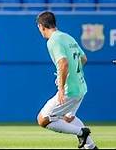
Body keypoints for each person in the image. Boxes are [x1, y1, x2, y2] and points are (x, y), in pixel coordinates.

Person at [36, 11, 98, 149]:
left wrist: (61, 88)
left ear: (41, 26)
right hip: (81, 87)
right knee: (67, 118)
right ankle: (91, 146)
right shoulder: (67, 37)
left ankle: (82, 132)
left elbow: (63, 63)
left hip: (70, 90)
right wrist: (72, 75)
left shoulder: (53, 40)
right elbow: (84, 59)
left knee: (43, 119)